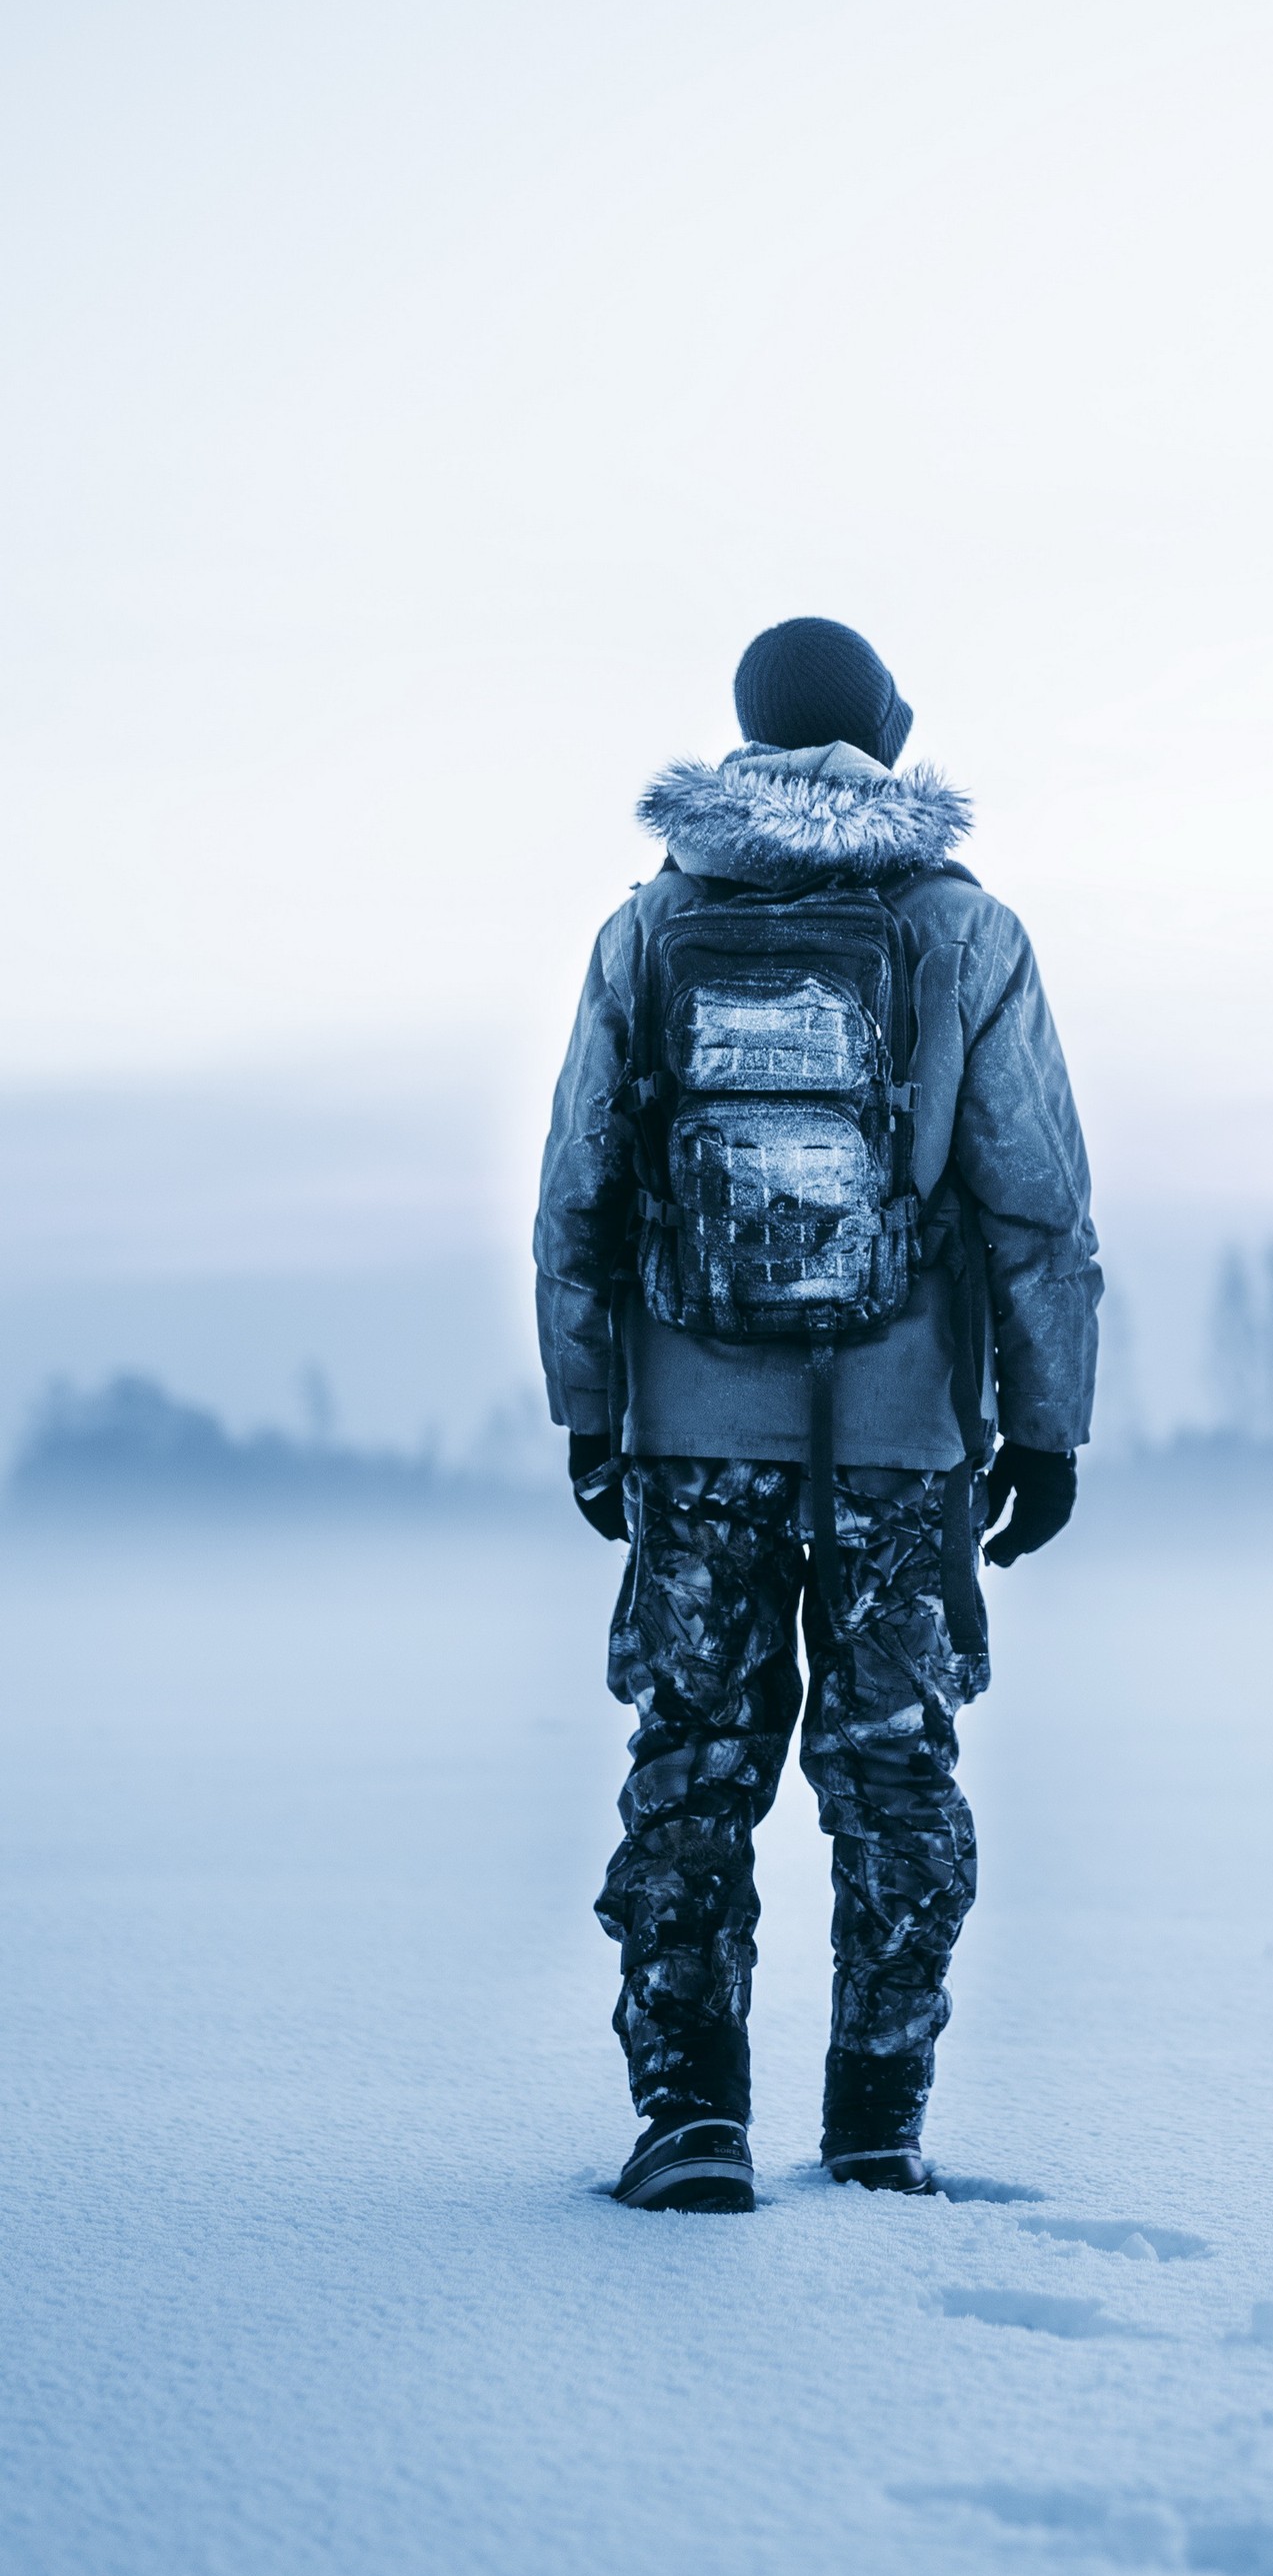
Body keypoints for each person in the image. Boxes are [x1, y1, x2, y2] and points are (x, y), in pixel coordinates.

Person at [535, 617, 1101, 2212]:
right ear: (889, 736)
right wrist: (1049, 1424)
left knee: (695, 1764)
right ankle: (874, 2126)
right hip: (905, 1430)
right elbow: (1036, 1202)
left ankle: (691, 2119)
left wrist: (596, 1409)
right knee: (897, 1773)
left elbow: (575, 1196)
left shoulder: (652, 926)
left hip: (693, 1425)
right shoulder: (960, 927)